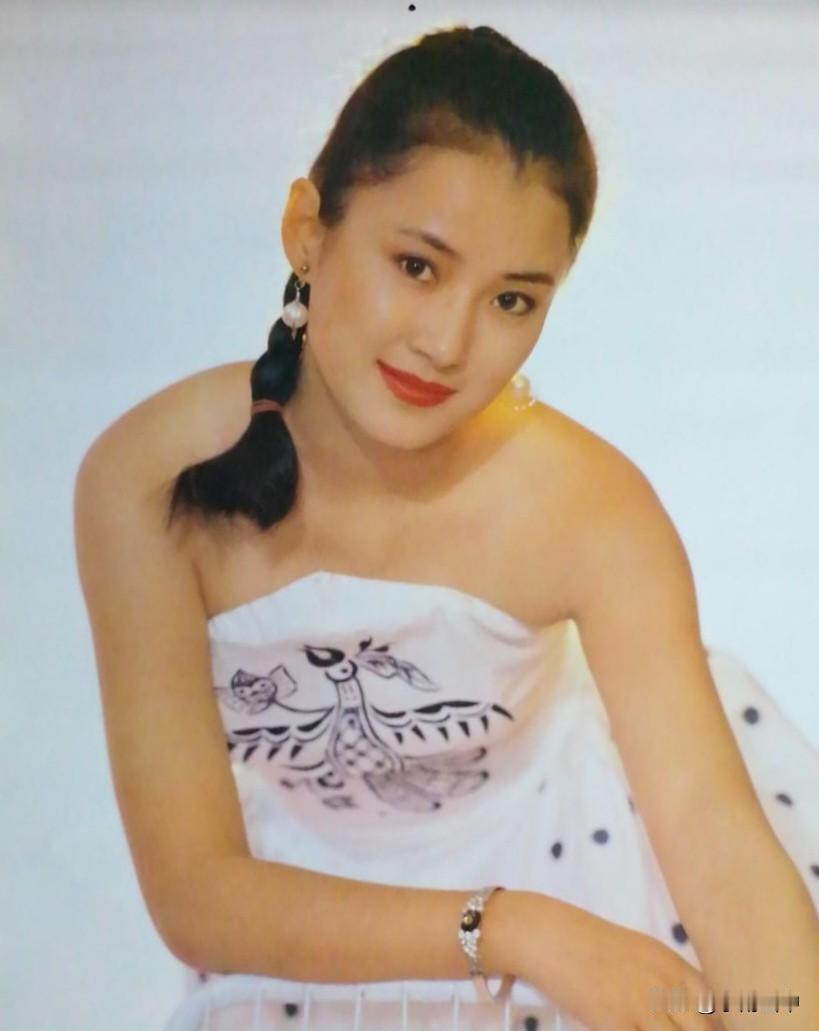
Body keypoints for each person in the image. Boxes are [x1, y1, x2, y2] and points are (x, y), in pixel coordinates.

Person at [73, 24, 819, 1031]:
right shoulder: (149, 481)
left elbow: (710, 833)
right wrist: (517, 931)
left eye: (511, 298)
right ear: (307, 230)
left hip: (589, 861)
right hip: (311, 921)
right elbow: (196, 897)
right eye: (418, 266)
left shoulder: (588, 503)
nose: (449, 342)